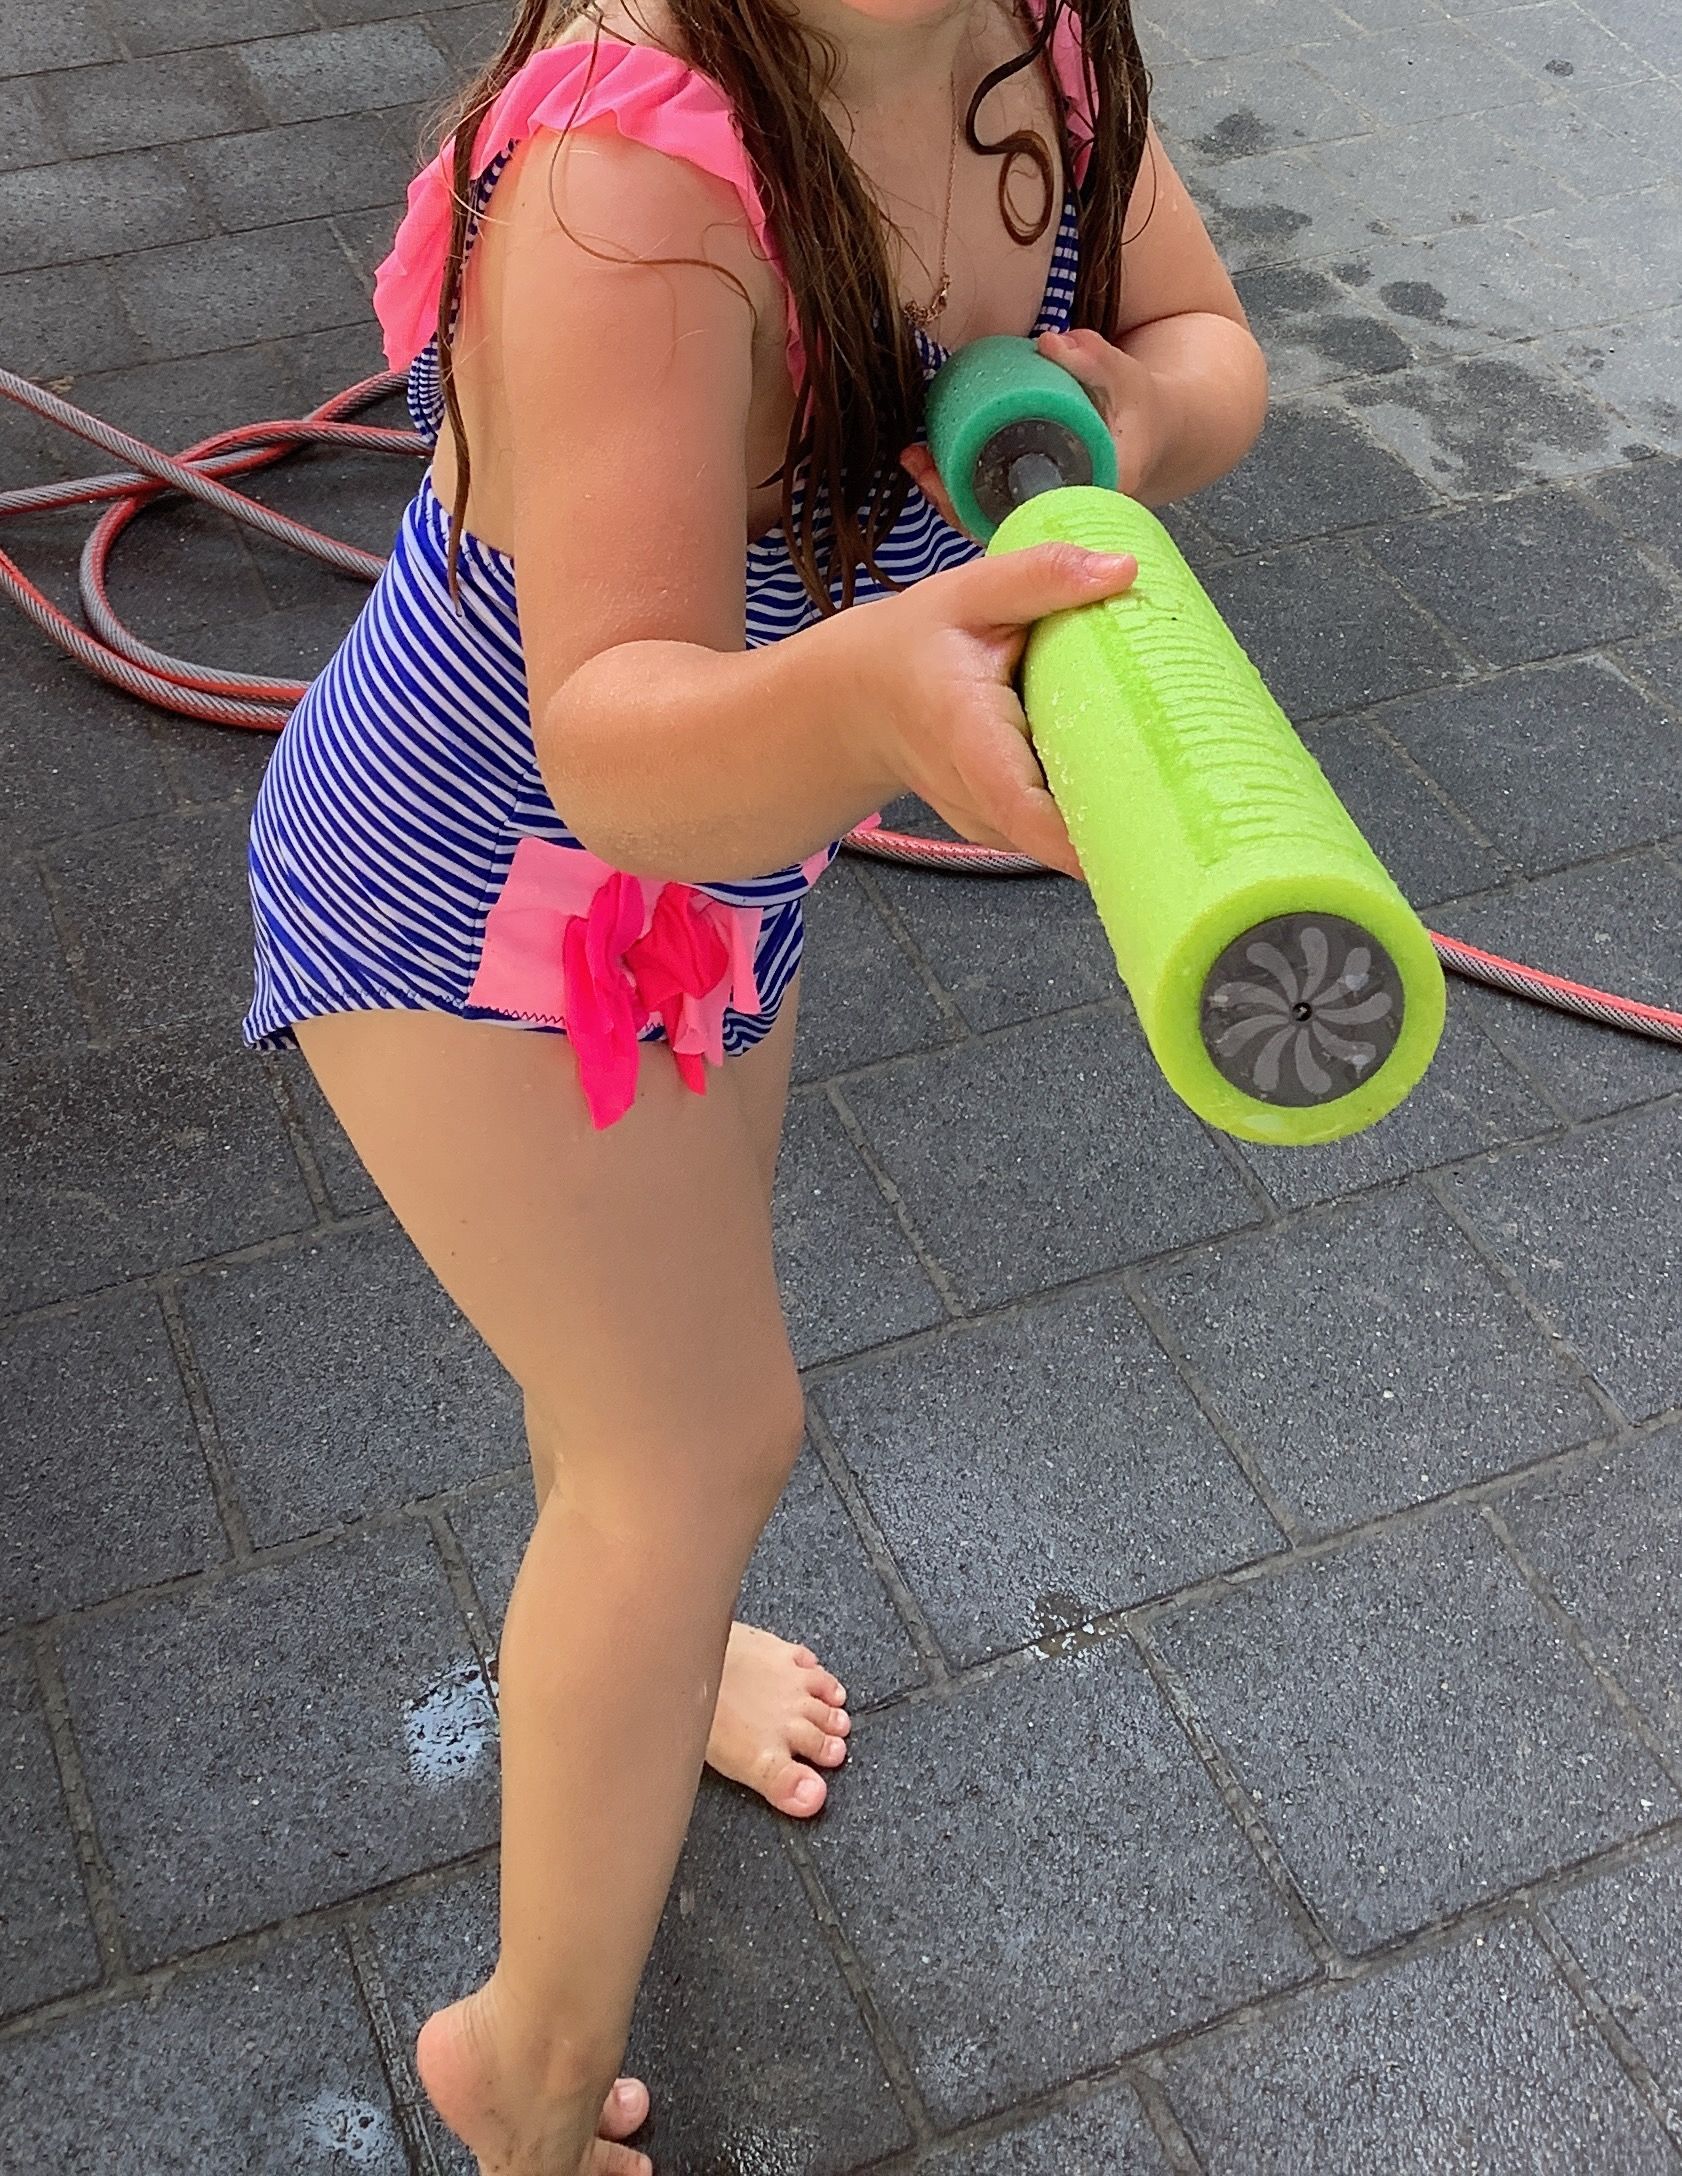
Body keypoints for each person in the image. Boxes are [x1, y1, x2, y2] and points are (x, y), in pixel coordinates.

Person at [242, 0, 1266, 2162]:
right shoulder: (636, 192)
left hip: (719, 882)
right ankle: (520, 2074)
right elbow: (612, 735)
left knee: (648, 1340)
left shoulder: (1037, 52)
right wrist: (882, 703)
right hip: (470, 903)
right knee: (693, 1436)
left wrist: (1137, 412)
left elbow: (1203, 338)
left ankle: (659, 1637)